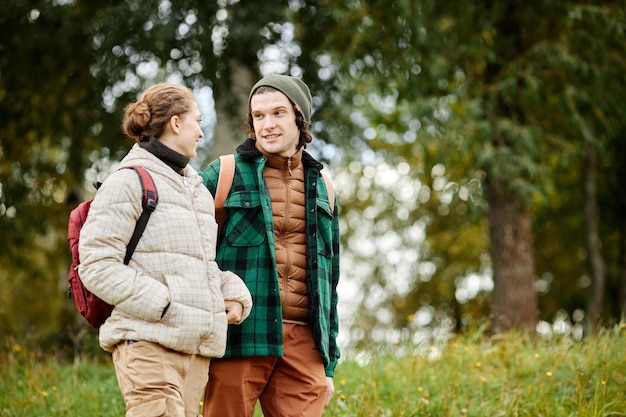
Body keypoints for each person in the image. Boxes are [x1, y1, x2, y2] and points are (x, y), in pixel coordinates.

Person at [78, 83, 253, 417]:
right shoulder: (128, 181)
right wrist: (164, 303)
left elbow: (199, 265)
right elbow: (97, 265)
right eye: (196, 121)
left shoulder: (197, 190)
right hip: (148, 345)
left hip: (194, 354)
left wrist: (231, 292)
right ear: (175, 123)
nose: (201, 133)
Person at [199, 74, 340, 417]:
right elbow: (184, 248)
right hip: (240, 337)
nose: (267, 125)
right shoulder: (224, 173)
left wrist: (329, 362)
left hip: (304, 343)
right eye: (259, 116)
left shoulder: (325, 186)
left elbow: (331, 279)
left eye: (278, 113)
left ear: (299, 118)